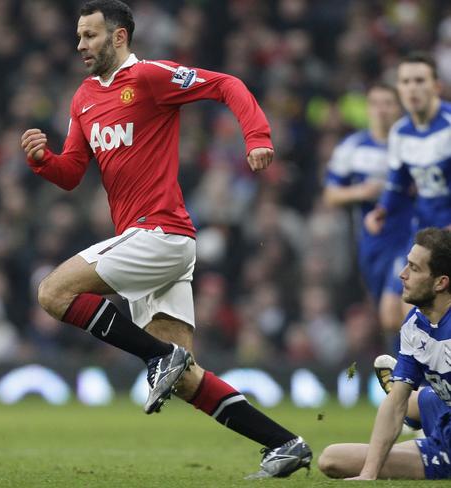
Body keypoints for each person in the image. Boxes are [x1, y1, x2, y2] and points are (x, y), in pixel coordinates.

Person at [20, 0, 311, 479]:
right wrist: (41, 161)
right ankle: (285, 443)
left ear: (118, 37)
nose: (80, 45)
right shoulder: (83, 98)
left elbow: (227, 84)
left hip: (159, 234)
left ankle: (159, 357)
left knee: (52, 292)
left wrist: (256, 136)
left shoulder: (152, 78)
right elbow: (72, 172)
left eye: (90, 35)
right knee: (184, 380)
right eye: (78, 36)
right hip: (153, 248)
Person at [319, 227, 451, 480]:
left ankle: (415, 405)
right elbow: (393, 404)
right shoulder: (415, 322)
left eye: (413, 268)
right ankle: (412, 401)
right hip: (444, 413)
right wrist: (368, 474)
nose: (402, 275)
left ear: (441, 282)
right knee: (331, 459)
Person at [365, 52, 451, 326]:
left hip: (447, 232)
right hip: (422, 230)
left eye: (419, 80)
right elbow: (397, 183)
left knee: (417, 312)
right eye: (406, 81)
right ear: (399, 88)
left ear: (436, 86)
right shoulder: (401, 132)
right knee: (390, 314)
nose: (413, 88)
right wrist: (382, 210)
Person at [323, 83, 412, 332]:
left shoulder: (409, 145)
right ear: (368, 109)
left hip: (407, 235)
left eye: (388, 103)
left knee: (399, 308)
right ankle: (403, 365)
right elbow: (330, 195)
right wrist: (361, 191)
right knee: (389, 319)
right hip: (372, 241)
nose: (381, 110)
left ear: (398, 108)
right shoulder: (353, 147)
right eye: (375, 103)